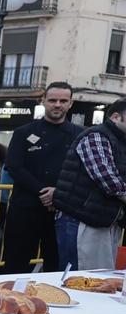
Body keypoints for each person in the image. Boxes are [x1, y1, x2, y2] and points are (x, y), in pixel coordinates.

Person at [3, 82, 79, 273]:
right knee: (15, 264)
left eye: (63, 100)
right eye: (53, 100)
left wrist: (57, 193)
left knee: (57, 267)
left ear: (71, 103)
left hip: (62, 212)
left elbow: (82, 172)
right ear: (43, 101)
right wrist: (43, 191)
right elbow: (14, 167)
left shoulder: (80, 134)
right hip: (25, 209)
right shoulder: (23, 132)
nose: (57, 105)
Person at [52, 98, 126, 271]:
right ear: (115, 117)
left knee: (100, 278)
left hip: (105, 220)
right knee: (81, 279)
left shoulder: (119, 141)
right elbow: (108, 179)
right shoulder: (96, 136)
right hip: (82, 220)